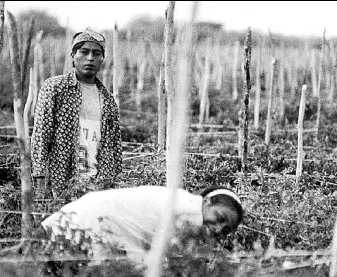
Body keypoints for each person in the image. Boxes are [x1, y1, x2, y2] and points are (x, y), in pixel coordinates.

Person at [41, 185, 244, 263]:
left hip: (93, 217)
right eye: (220, 218)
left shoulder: (186, 202)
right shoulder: (189, 212)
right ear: (207, 202)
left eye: (224, 231)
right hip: (93, 220)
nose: (217, 229)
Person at [31, 28, 122, 198]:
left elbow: (115, 147)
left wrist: (111, 183)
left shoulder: (108, 100)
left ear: (102, 59)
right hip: (61, 182)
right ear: (73, 55)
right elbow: (41, 136)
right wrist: (40, 177)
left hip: (98, 185)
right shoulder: (55, 88)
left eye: (96, 53)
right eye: (84, 52)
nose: (90, 58)